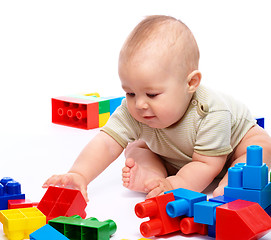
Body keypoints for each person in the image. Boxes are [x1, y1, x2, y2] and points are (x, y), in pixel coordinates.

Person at [43, 15, 271, 201]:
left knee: (260, 148)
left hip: (227, 152)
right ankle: (152, 175)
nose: (140, 104)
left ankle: (232, 185)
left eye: (152, 94)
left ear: (190, 83)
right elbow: (106, 142)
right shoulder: (134, 110)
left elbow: (207, 164)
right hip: (178, 155)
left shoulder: (211, 112)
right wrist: (79, 173)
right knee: (134, 148)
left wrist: (176, 185)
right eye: (130, 92)